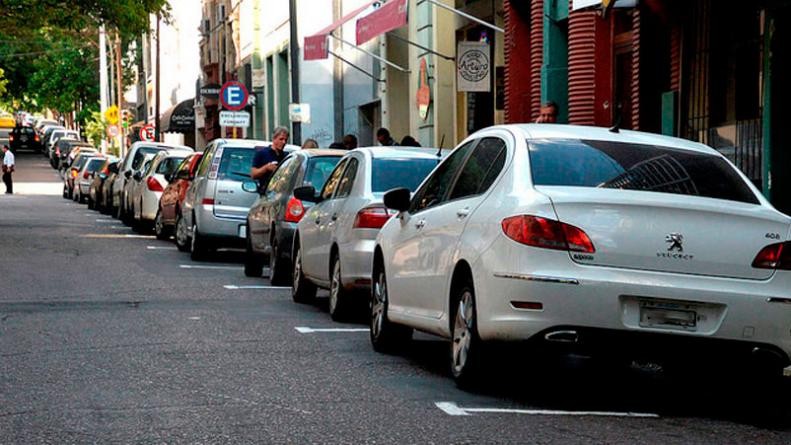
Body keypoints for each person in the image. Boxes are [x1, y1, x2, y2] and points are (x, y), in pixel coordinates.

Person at [250, 126, 289, 191]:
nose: (283, 142)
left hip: (282, 192)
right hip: (266, 192)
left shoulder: (286, 156)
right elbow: (253, 174)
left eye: (285, 140)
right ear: (274, 139)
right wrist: (266, 168)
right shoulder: (262, 153)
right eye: (281, 139)